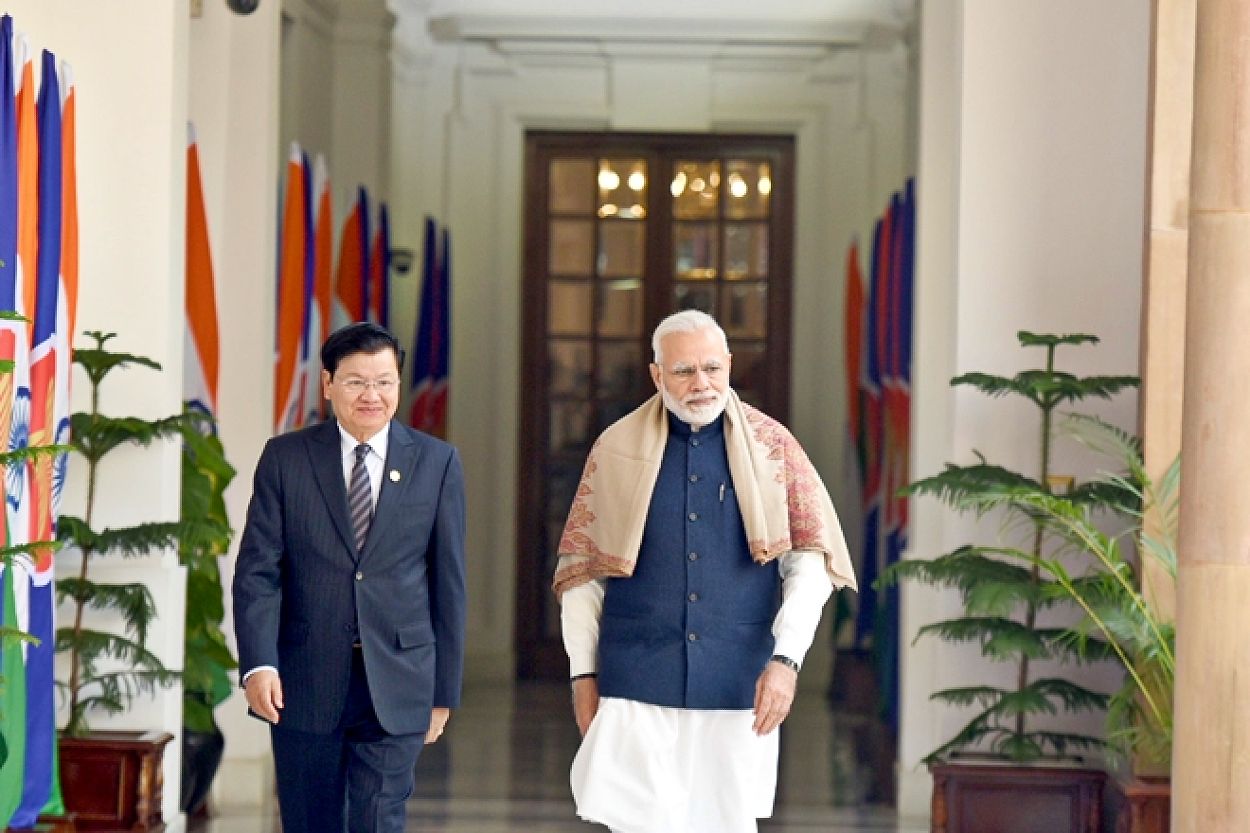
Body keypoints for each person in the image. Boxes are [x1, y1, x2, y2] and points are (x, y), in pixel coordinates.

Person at [553, 309, 857, 833]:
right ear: (656, 375)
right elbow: (584, 576)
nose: (701, 384)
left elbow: (808, 566)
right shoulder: (615, 448)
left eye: (712, 369)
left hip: (739, 682)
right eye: (684, 371)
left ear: (730, 365)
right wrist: (583, 674)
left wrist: (786, 662)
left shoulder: (774, 447)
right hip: (636, 678)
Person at [232, 322, 466, 833]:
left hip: (399, 677)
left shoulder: (437, 462)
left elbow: (448, 584)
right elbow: (257, 571)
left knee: (377, 818)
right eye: (357, 381)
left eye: (384, 381)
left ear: (399, 385)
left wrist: (443, 690)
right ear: (328, 384)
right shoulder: (286, 458)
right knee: (309, 820)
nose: (372, 395)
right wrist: (258, 665)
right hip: (304, 678)